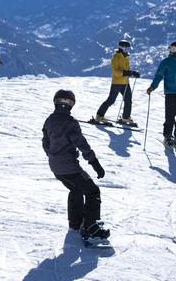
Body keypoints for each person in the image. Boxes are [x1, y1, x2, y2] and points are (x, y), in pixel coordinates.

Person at [42, 90, 109, 240]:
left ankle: (75, 222)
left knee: (76, 188)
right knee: (92, 191)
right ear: (71, 104)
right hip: (69, 167)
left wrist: (53, 156)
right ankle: (91, 227)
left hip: (56, 167)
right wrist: (94, 162)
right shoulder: (70, 123)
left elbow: (45, 142)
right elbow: (81, 144)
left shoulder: (49, 120)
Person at [94, 40, 140, 126]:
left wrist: (133, 73)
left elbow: (127, 70)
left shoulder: (126, 57)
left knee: (128, 100)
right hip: (117, 82)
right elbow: (115, 71)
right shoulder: (116, 57)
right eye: (126, 48)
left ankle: (125, 117)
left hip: (125, 82)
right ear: (121, 47)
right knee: (111, 100)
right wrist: (127, 73)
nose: (127, 50)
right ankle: (99, 116)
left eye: (128, 48)